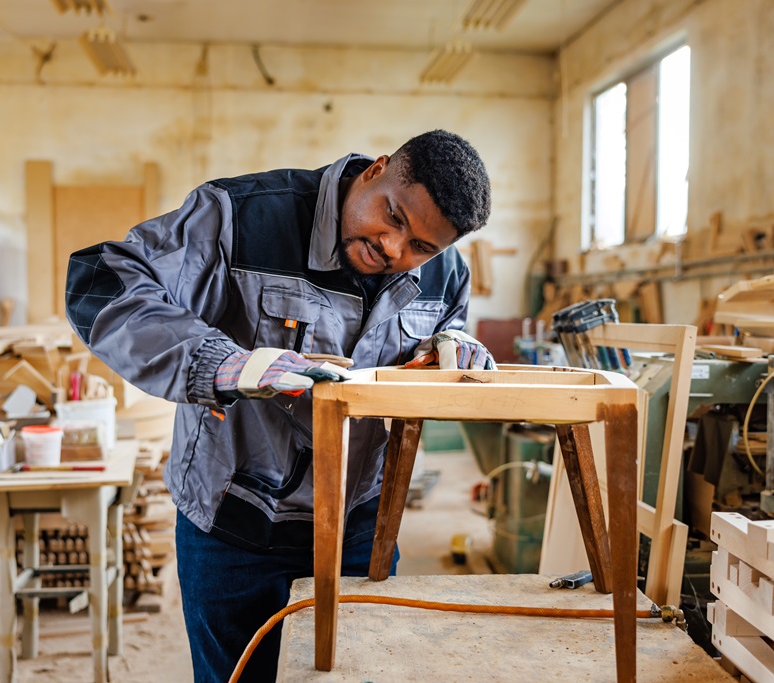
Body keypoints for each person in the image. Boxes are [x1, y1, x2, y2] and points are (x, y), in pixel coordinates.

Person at [65, 129, 495, 681]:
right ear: (376, 169)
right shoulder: (240, 218)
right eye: (392, 217)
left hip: (359, 525)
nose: (394, 249)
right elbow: (101, 279)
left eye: (420, 247)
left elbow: (444, 333)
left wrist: (452, 354)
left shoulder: (445, 272)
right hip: (234, 524)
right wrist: (220, 363)